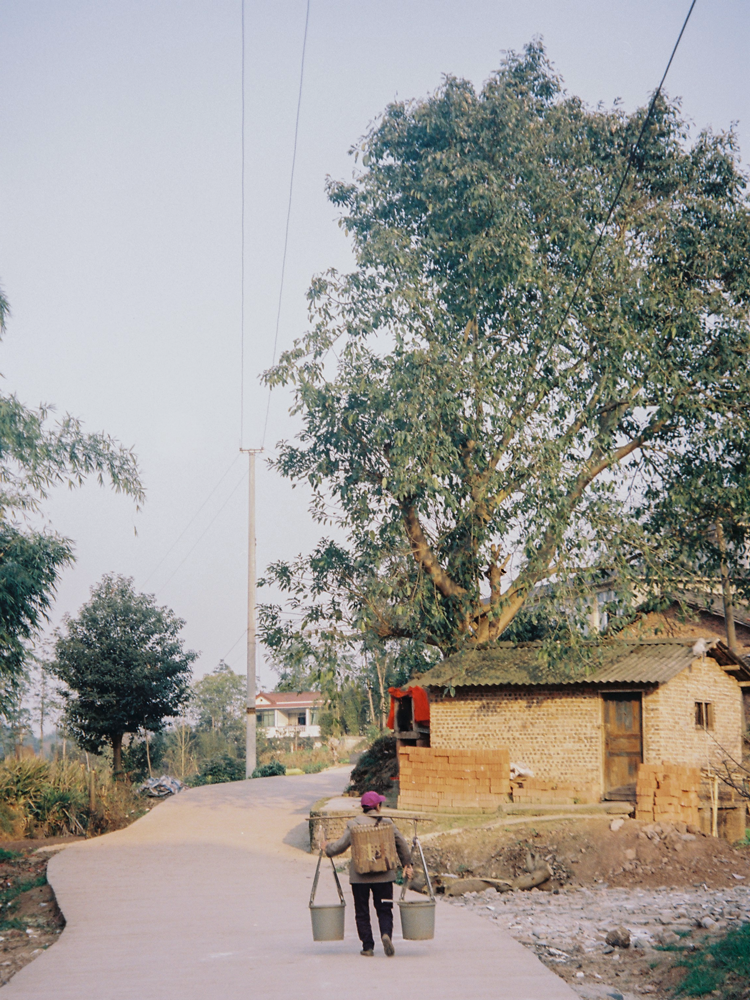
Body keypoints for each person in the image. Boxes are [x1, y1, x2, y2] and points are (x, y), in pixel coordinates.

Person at [320, 791, 413, 957]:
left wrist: (327, 848)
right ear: (377, 806)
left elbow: (339, 846)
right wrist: (407, 864)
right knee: (385, 909)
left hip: (360, 877)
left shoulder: (353, 825)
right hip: (384, 876)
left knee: (362, 912)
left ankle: (368, 946)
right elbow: (401, 843)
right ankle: (386, 934)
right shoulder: (388, 823)